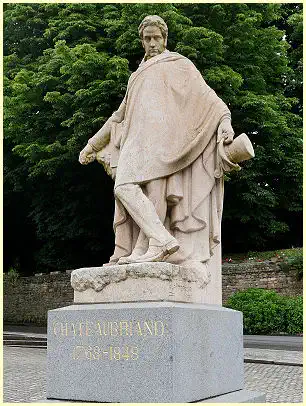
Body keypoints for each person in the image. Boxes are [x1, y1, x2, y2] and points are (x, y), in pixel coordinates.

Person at [79, 15, 235, 283]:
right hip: (137, 142)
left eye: (156, 38)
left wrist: (225, 122)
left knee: (151, 193)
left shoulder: (178, 65)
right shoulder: (136, 75)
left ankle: (151, 246)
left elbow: (207, 97)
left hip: (165, 142)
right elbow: (119, 116)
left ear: (165, 39)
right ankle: (159, 240)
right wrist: (93, 144)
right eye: (147, 38)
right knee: (125, 188)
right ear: (142, 41)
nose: (152, 43)